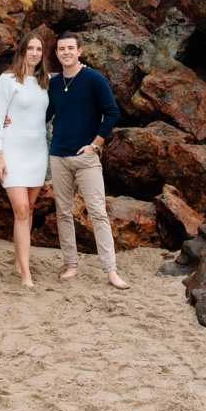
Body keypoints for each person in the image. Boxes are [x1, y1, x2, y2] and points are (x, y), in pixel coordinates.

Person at [47, 31, 130, 289]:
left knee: (97, 212)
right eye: (62, 49)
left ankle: (111, 271)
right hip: (58, 155)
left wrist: (95, 145)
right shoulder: (54, 83)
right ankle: (71, 265)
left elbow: (112, 112)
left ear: (80, 50)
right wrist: (12, 120)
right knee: (63, 212)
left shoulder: (94, 80)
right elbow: (45, 114)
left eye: (71, 48)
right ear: (57, 53)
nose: (66, 52)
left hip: (86, 157)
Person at [0, 32, 51, 288]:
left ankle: (19, 261)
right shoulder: (7, 80)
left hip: (38, 151)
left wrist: (82, 66)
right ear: (22, 51)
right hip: (13, 150)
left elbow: (73, 81)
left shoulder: (45, 81)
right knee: (21, 210)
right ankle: (26, 273)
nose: (35, 53)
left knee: (30, 208)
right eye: (31, 48)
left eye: (39, 49)